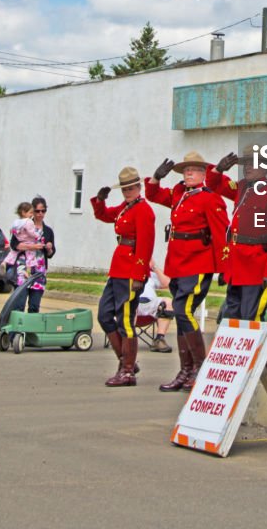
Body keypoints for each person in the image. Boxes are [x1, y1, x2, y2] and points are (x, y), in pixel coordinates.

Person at [145, 150, 228, 393]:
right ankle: (185, 370)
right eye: (185, 170)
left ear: (203, 173)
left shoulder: (211, 198)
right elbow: (153, 194)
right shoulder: (179, 193)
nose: (188, 173)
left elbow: (221, 234)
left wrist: (224, 267)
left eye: (193, 170)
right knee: (183, 316)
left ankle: (200, 369)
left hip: (199, 263)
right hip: (178, 263)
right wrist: (155, 178)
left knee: (182, 311)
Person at [207, 146, 267, 322]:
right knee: (232, 315)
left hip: (256, 264)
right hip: (236, 263)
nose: (248, 167)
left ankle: (255, 350)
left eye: (254, 163)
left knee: (250, 317)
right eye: (246, 163)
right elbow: (214, 185)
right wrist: (218, 169)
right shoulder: (242, 186)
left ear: (265, 167)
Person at [91, 166, 156, 387]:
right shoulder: (126, 208)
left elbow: (145, 246)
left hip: (131, 271)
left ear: (139, 187)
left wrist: (139, 274)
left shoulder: (143, 210)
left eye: (131, 188)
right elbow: (104, 215)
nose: (127, 192)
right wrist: (99, 200)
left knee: (126, 321)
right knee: (104, 314)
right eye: (125, 189)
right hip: (118, 269)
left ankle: (127, 371)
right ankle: (126, 360)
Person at [9, 195, 55, 314]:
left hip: (39, 271)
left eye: (43, 211)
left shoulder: (48, 231)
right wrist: (33, 246)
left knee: (34, 307)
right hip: (23, 270)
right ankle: (16, 332)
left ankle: (30, 332)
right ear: (32, 211)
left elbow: (50, 253)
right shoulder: (23, 226)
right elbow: (14, 244)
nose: (40, 214)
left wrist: (49, 248)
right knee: (19, 306)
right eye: (37, 211)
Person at [137, 260, 173, 353]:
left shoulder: (150, 275)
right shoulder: (124, 270)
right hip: (132, 304)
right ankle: (128, 340)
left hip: (150, 306)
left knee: (168, 302)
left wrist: (154, 267)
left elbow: (168, 284)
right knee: (126, 302)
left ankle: (159, 340)